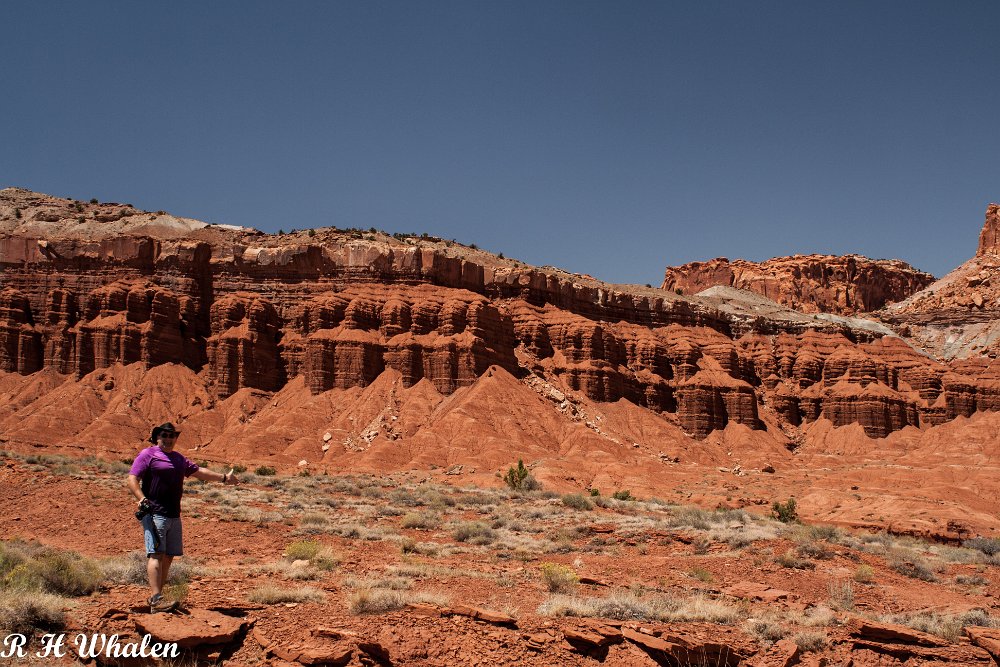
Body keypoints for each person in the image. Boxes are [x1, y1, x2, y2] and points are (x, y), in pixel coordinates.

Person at [127, 422, 239, 613]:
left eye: (172, 436)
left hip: (173, 514)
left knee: (168, 556)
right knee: (156, 554)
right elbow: (132, 479)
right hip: (154, 513)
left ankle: (158, 599)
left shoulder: (179, 459)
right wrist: (142, 498)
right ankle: (156, 599)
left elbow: (199, 472)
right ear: (157, 437)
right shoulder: (148, 454)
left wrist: (223, 478)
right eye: (164, 435)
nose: (168, 439)